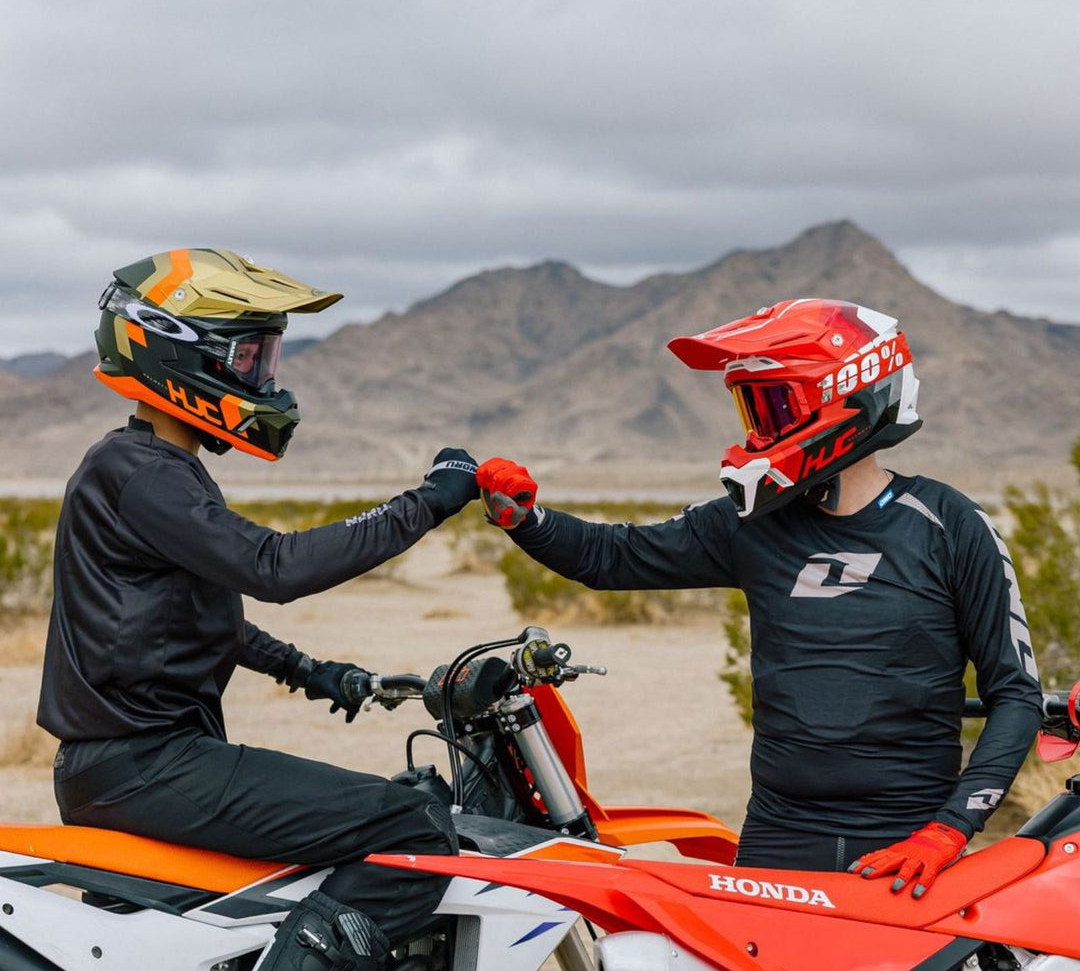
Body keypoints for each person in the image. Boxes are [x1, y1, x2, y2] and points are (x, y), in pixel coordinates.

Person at [477, 297, 1042, 897]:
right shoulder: (752, 525)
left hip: (909, 839)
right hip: (780, 833)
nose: (758, 431)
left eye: (774, 407)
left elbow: (1016, 695)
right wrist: (527, 520)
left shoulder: (950, 524)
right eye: (752, 410)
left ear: (845, 397)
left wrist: (948, 830)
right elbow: (612, 556)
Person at [37, 248, 479, 971]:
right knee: (415, 827)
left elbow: (198, 614)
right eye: (249, 359)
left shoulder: (153, 468)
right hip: (146, 767)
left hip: (139, 763)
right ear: (179, 356)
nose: (262, 380)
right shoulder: (143, 475)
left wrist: (311, 671)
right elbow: (276, 567)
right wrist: (428, 500)